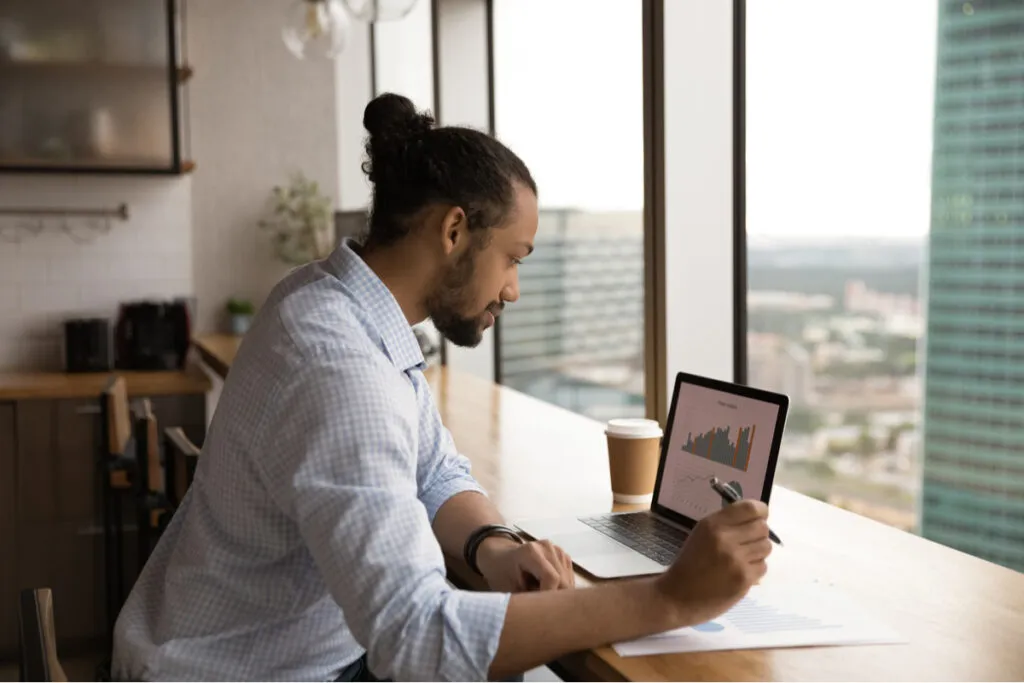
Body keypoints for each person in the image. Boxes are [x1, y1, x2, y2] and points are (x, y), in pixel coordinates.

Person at [111, 93, 772, 682]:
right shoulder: (338, 369)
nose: (513, 289)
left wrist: (494, 546)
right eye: (513, 258)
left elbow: (434, 469)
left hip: (284, 649)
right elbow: (416, 638)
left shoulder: (338, 304)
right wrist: (670, 598)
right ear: (454, 230)